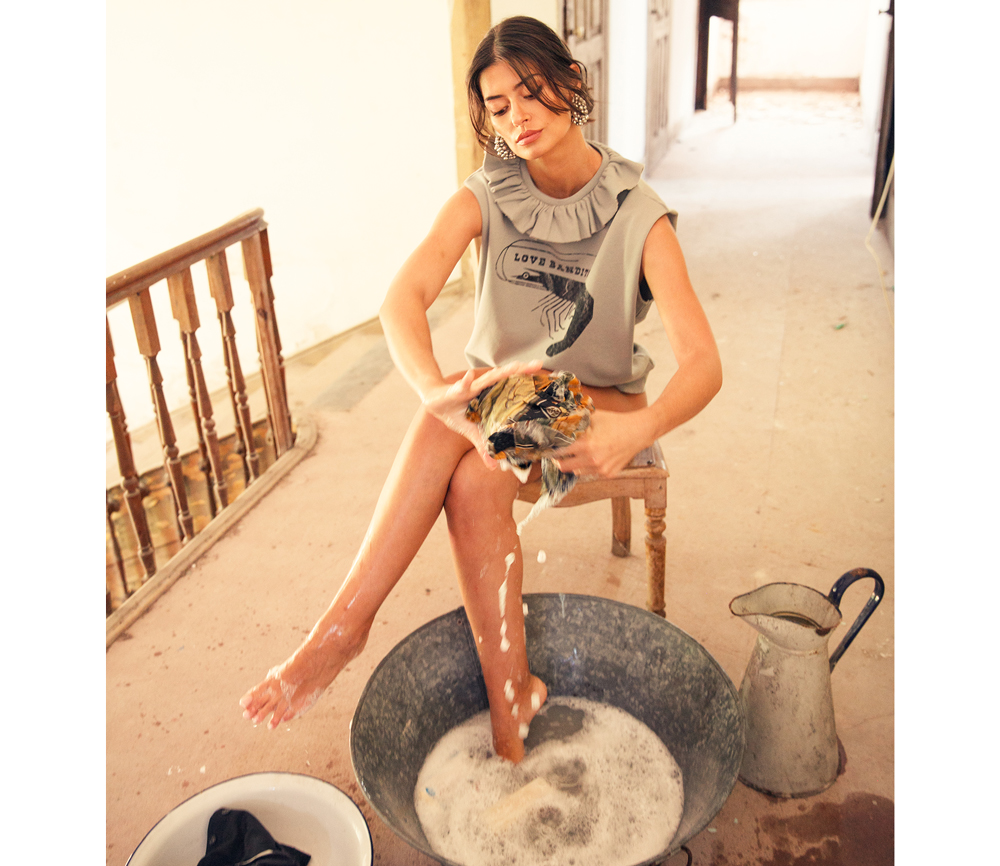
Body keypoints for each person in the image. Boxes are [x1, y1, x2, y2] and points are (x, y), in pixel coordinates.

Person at [239, 16, 722, 764]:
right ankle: (512, 701)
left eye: (530, 92)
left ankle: (345, 627)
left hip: (598, 402)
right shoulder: (489, 191)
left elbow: (703, 363)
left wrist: (640, 427)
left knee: (462, 412)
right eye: (498, 106)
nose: (517, 117)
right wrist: (436, 391)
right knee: (468, 474)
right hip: (502, 402)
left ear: (571, 81)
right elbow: (401, 299)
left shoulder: (638, 211)